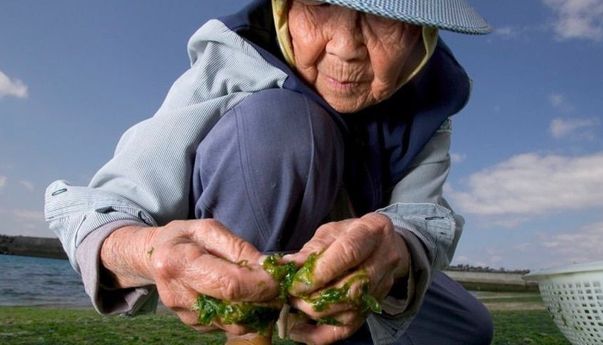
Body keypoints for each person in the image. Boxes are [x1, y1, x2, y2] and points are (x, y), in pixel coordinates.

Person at [45, 0, 494, 344]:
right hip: (247, 251)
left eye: (382, 18)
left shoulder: (431, 98)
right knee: (282, 126)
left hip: (352, 280)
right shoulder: (232, 60)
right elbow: (105, 210)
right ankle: (251, 331)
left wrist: (396, 247)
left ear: (422, 35)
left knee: (469, 328)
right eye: (319, 4)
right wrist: (147, 250)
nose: (344, 48)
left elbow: (420, 214)